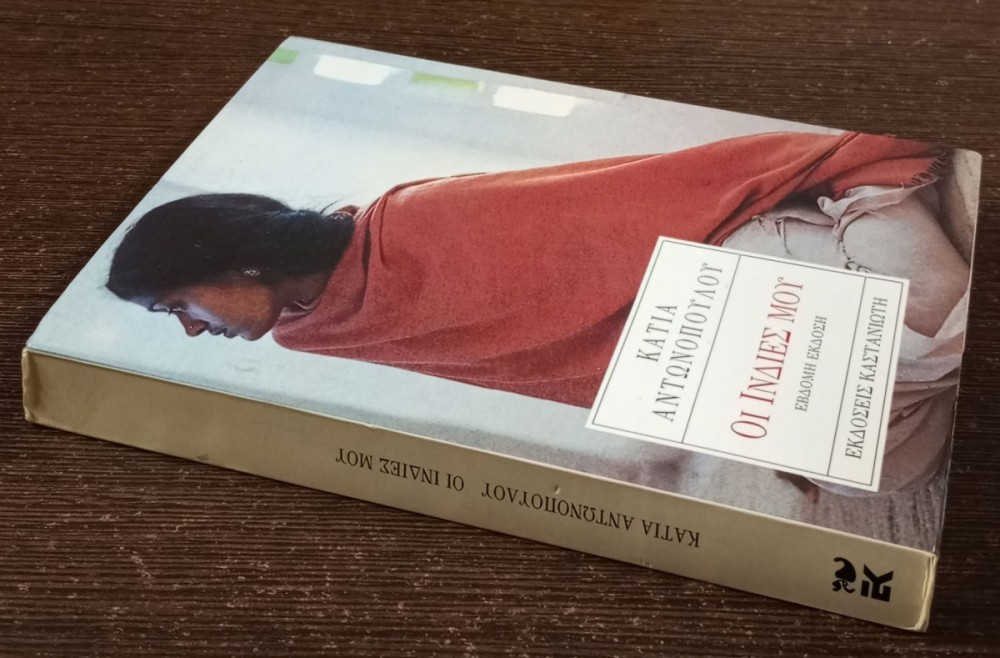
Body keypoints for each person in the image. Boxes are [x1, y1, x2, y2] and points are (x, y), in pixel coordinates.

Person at [107, 130, 971, 492]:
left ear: (235, 260)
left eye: (177, 304)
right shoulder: (313, 331)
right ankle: (876, 325)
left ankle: (862, 212)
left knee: (927, 322)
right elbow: (545, 363)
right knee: (889, 465)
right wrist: (728, 399)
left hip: (721, 254)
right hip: (710, 334)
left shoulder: (413, 219)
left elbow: (629, 201)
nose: (191, 329)